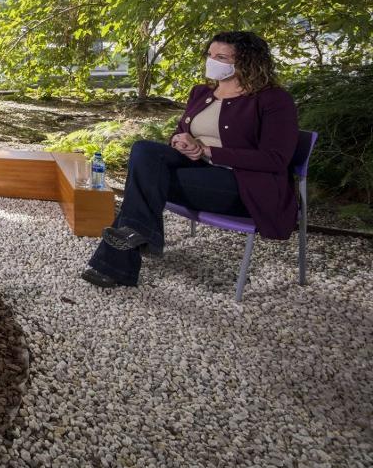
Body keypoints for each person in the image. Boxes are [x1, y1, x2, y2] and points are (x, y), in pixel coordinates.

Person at [82, 31, 300, 288]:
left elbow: (275, 159)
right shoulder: (202, 93)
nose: (212, 61)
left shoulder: (273, 100)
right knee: (143, 150)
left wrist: (208, 151)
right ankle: (136, 233)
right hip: (196, 169)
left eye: (221, 57)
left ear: (247, 61)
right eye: (210, 55)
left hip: (241, 185)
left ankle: (122, 255)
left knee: (148, 182)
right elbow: (182, 131)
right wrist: (180, 142)